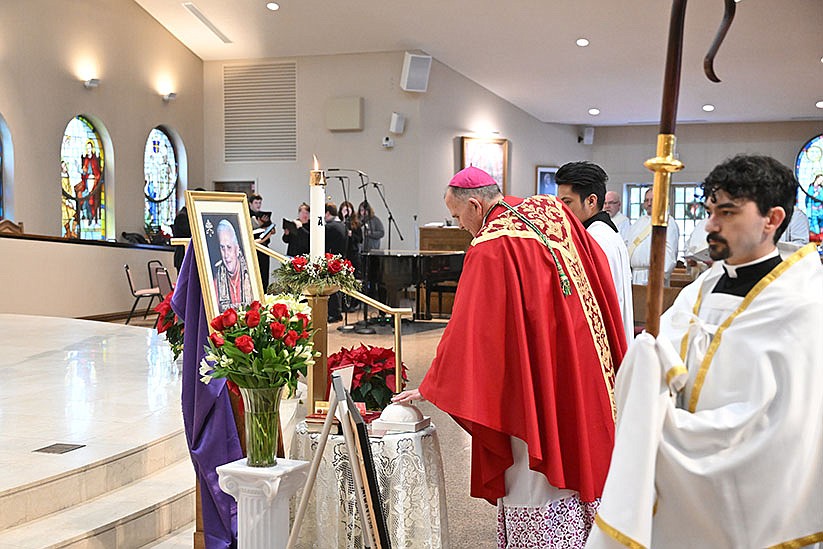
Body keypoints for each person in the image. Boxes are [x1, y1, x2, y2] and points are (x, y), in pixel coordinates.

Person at [587, 155, 823, 548]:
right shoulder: (703, 287)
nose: (711, 225)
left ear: (773, 218)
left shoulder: (804, 303)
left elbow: (786, 427)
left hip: (760, 496)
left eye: (727, 212)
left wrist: (668, 431)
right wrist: (647, 364)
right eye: (710, 210)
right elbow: (664, 364)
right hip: (684, 491)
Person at [393, 166, 627, 547]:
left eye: (457, 217)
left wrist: (432, 384)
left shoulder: (490, 245)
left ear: (474, 204)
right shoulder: (551, 212)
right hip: (581, 358)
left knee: (535, 461)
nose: (460, 227)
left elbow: (474, 331)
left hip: (533, 373)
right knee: (580, 438)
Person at [556, 161, 634, 343]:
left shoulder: (595, 239)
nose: (562, 211)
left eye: (567, 202)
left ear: (591, 201)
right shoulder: (603, 232)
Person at [623, 187, 680, 285]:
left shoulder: (668, 222)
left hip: (654, 277)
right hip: (635, 275)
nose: (649, 204)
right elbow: (628, 246)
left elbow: (670, 252)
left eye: (652, 200)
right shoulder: (638, 223)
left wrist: (658, 276)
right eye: (646, 200)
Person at [213, 219, 253, 312]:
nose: (226, 255)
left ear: (237, 248)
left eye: (229, 247)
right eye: (222, 248)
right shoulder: (216, 282)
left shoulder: (251, 276)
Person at [324, 202, 347, 322]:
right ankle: (337, 312)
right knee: (336, 289)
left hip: (331, 260)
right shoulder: (342, 225)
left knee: (330, 289)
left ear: (327, 213)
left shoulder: (330, 227)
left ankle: (333, 313)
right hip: (340, 259)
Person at [249, 193, 274, 288]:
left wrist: (268, 227)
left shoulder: (263, 215)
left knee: (264, 275)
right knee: (254, 276)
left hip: (264, 247)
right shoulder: (247, 214)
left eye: (260, 203)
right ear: (250, 204)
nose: (258, 205)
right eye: (256, 203)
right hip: (253, 248)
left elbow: (272, 231)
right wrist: (260, 225)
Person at [805, 173, 823, 240]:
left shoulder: (821, 189)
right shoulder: (811, 188)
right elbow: (808, 199)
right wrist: (814, 196)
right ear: (816, 178)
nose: (820, 181)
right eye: (820, 179)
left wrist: (817, 195)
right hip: (813, 211)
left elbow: (821, 198)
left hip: (820, 211)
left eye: (822, 180)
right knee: (815, 227)